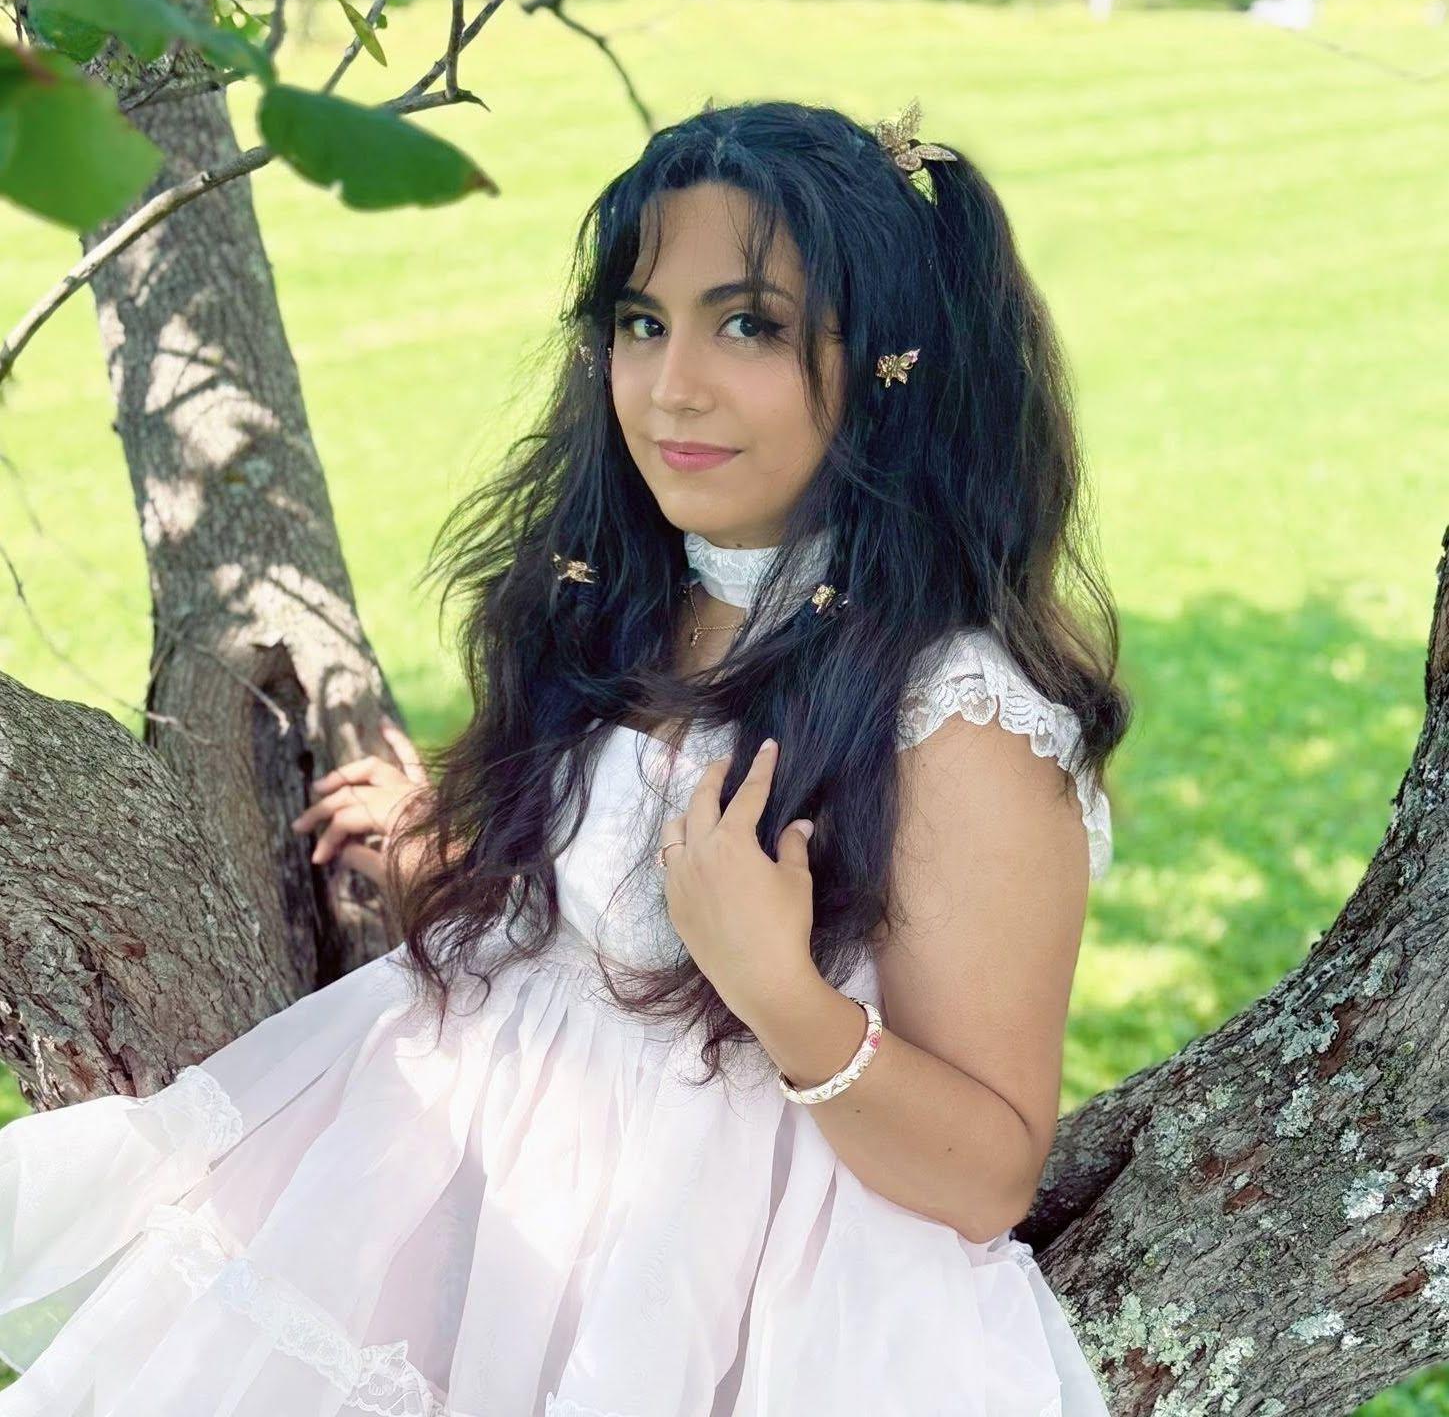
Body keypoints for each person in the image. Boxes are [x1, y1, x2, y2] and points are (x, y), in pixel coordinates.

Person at [0, 96, 1129, 1416]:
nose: (672, 385)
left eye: (749, 326)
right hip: (461, 1229)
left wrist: (780, 992)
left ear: (892, 362)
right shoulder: (632, 600)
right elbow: (595, 947)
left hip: (706, 1309)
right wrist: (476, 862)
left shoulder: (956, 716)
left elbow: (990, 1173)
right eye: (642, 323)